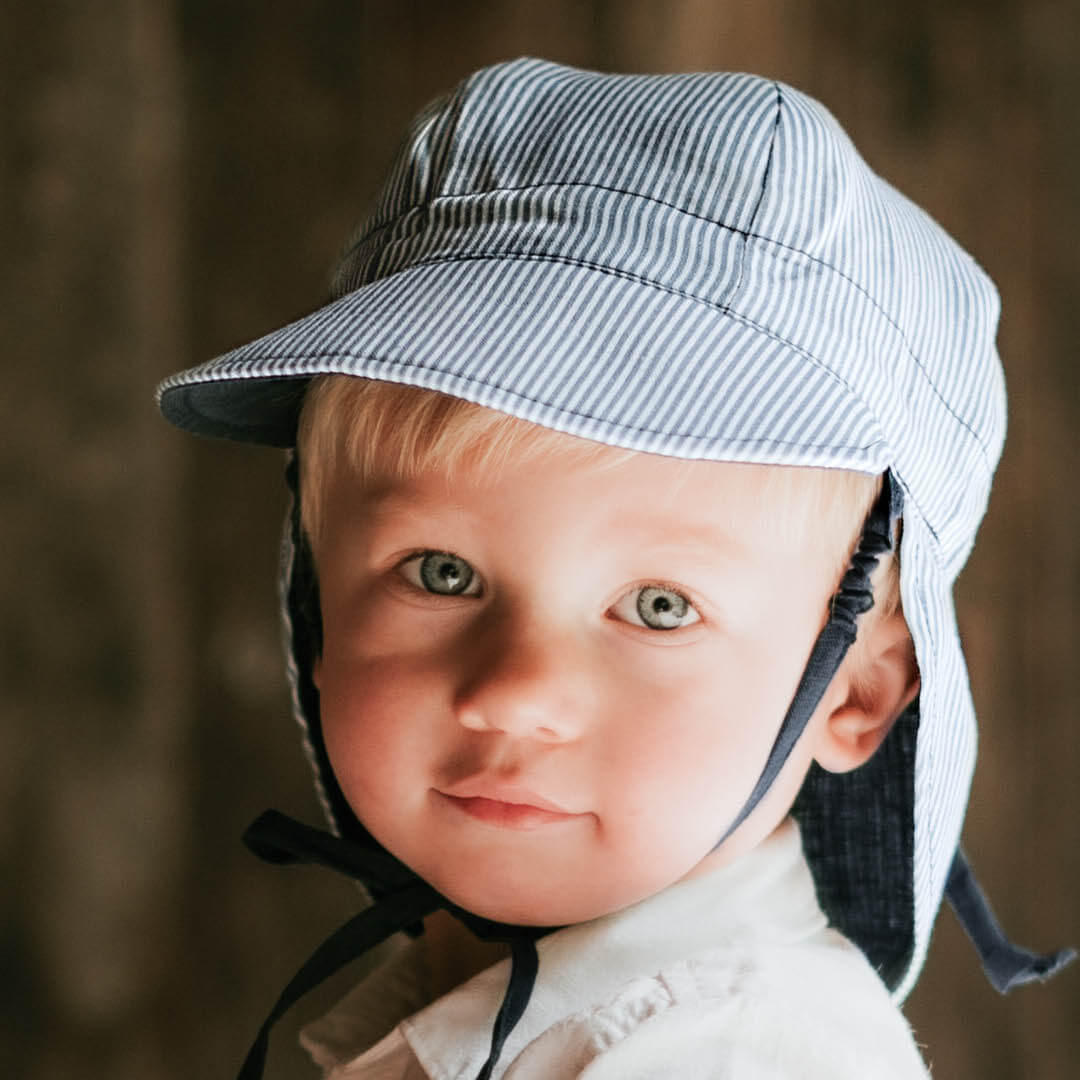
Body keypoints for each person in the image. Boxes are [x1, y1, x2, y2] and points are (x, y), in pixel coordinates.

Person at [157, 58, 1072, 1079]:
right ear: (316, 600)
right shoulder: (484, 1006)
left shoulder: (735, 1054)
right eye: (442, 573)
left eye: (659, 605)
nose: (515, 697)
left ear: (856, 689)